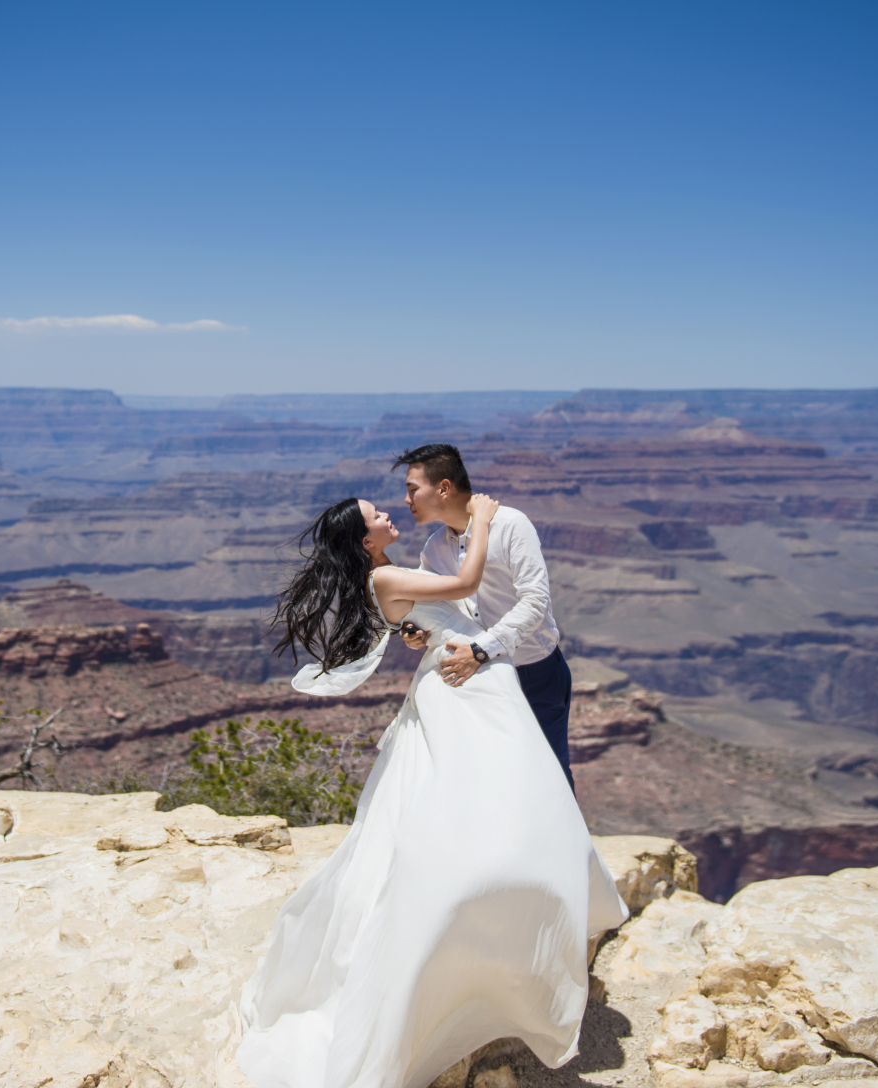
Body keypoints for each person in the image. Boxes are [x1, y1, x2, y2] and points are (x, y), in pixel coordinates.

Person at [235, 495, 628, 1088]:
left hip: (465, 676)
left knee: (493, 796)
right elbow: (466, 580)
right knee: (503, 796)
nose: (389, 514)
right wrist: (487, 520)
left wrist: (418, 627)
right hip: (463, 689)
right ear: (365, 539)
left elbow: (432, 610)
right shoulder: (388, 572)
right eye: (376, 515)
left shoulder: (386, 573)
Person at [393, 444, 575, 790]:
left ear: (444, 488)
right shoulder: (434, 548)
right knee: (494, 778)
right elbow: (429, 607)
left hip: (532, 670)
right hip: (480, 676)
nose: (407, 500)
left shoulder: (510, 525)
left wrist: (481, 650)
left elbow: (535, 601)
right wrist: (413, 630)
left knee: (550, 773)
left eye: (412, 489)